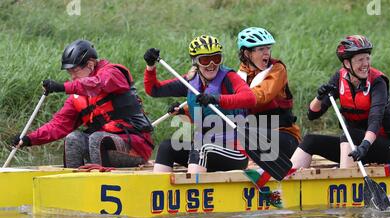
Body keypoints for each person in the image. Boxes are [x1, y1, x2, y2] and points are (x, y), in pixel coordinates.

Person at [11, 39, 154, 168]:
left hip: (134, 147)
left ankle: (100, 182)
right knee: (73, 139)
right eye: (69, 72)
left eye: (75, 71)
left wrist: (62, 87)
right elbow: (58, 125)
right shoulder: (77, 96)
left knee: (97, 138)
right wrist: (29, 139)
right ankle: (72, 186)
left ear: (90, 64)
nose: (72, 77)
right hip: (101, 147)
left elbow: (97, 84)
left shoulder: (112, 73)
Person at [143, 35, 256, 173]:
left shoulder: (229, 77)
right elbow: (154, 90)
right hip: (205, 150)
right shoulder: (190, 81)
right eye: (205, 60)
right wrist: (150, 66)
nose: (211, 65)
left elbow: (250, 98)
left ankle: (195, 190)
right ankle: (159, 190)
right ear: (195, 62)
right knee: (167, 147)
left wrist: (216, 99)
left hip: (234, 152)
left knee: (201, 149)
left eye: (216, 58)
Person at [290, 35, 390, 169]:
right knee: (310, 140)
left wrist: (365, 146)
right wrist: (319, 97)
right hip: (354, 145)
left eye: (367, 58)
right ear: (347, 63)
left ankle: (344, 179)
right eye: (360, 60)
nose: (365, 64)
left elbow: (375, 120)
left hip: (388, 147)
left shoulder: (378, 82)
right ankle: (287, 181)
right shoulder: (340, 77)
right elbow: (312, 114)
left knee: (350, 135)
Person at [236, 27, 300, 162]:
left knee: (246, 136)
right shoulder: (240, 74)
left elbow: (262, 95)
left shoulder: (277, 69)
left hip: (284, 136)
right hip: (256, 138)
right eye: (260, 49)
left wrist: (231, 99)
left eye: (268, 48)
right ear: (247, 53)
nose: (267, 53)